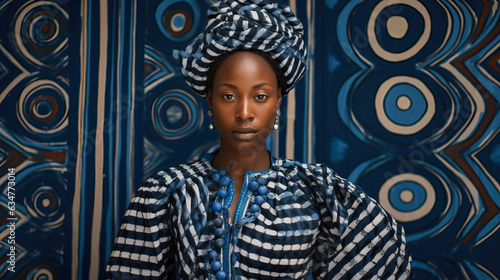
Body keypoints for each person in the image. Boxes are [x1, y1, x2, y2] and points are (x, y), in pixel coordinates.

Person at [105, 0, 413, 279]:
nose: (244, 112)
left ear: (278, 100)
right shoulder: (166, 192)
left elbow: (385, 260)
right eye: (228, 96)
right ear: (209, 100)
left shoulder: (314, 191)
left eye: (261, 96)